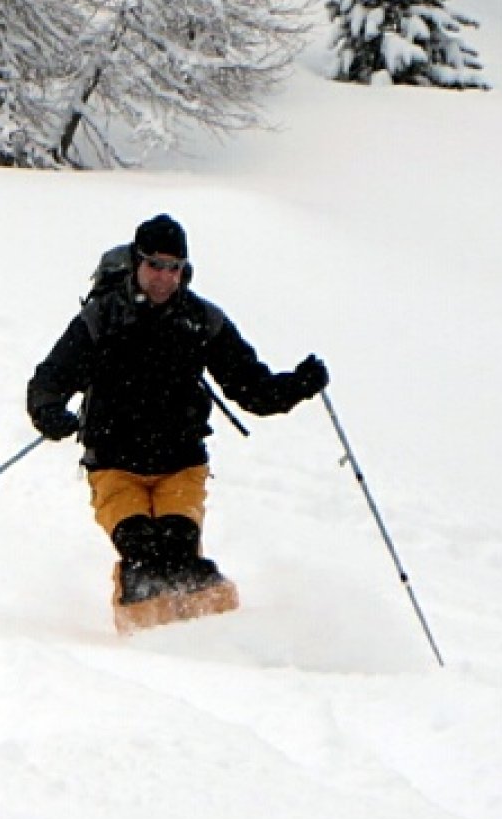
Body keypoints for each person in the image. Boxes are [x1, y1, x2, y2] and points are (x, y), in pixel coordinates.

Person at [27, 214, 328, 606]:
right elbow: (51, 377)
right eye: (155, 265)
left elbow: (251, 388)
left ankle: (210, 626)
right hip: (114, 463)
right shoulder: (102, 317)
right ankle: (143, 624)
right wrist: (48, 411)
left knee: (180, 552)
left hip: (180, 463)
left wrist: (298, 385)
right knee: (141, 552)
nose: (164, 278)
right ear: (136, 262)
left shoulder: (201, 320)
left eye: (174, 268)